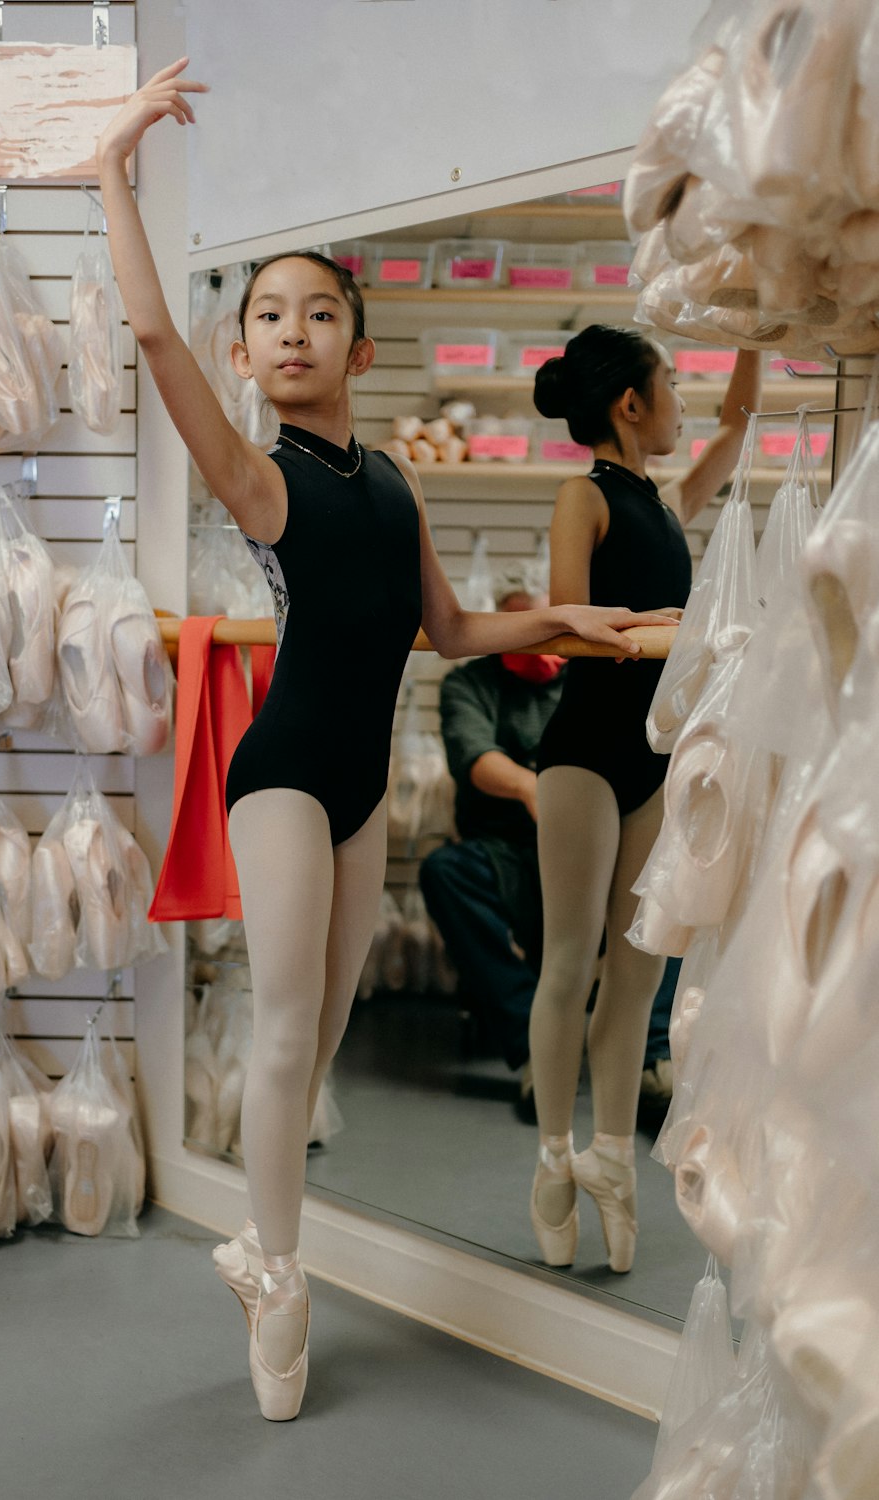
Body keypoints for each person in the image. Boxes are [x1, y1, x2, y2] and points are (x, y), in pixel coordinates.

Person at [97, 64, 677, 1421]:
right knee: (292, 1021)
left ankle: (270, 1242)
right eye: (266, 318)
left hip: (363, 784)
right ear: (246, 355)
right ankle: (277, 1272)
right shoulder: (262, 476)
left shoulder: (396, 480)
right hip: (288, 772)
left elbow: (450, 628)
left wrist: (566, 614)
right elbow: (153, 335)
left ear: (363, 349)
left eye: (318, 314)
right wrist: (114, 169)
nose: (289, 332)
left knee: (327, 1034)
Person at [526, 325, 760, 1275]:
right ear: (632, 404)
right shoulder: (582, 496)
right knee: (568, 961)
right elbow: (568, 622)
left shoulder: (663, 502)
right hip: (583, 753)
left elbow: (739, 426)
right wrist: (664, 627)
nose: (682, 407)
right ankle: (550, 1159)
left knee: (636, 972)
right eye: (672, 389)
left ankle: (612, 1158)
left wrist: (751, 329)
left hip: (657, 763)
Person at [419, 582, 564, 1105]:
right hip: (502, 850)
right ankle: (536, 1048)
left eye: (540, 626)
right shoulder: (470, 683)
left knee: (658, 886)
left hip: (581, 846)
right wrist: (529, 787)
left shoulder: (585, 676)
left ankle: (654, 1056)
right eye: (518, 627)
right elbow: (474, 754)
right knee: (444, 872)